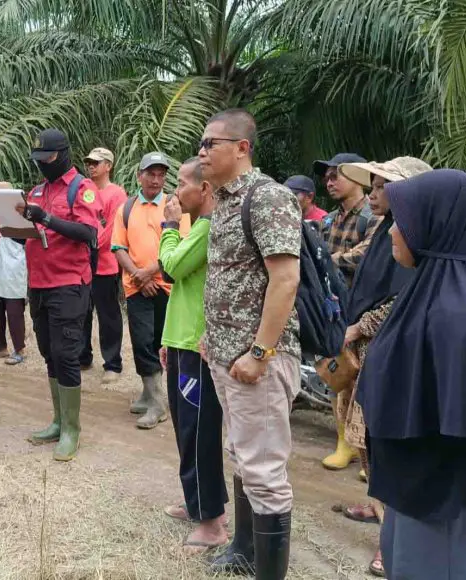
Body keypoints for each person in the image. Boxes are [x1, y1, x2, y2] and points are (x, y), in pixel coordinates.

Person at [357, 169, 466, 580]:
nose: (391, 233)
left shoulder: (463, 314)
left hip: (446, 500)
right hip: (413, 490)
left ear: (440, 225)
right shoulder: (430, 290)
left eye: (403, 220)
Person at [200, 109, 301, 579]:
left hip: (255, 361)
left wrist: (260, 353)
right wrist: (213, 337)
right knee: (242, 456)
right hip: (227, 355)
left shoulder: (268, 198)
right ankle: (244, 550)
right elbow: (229, 276)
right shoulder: (224, 201)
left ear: (241, 147)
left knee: (264, 472)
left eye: (210, 143)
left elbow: (285, 280)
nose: (201, 152)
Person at [334, 156, 433, 577]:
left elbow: (401, 299)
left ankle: (389, 537)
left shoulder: (415, 238)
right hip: (364, 345)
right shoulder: (382, 231)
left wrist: (359, 327)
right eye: (371, 186)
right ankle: (378, 508)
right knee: (363, 437)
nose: (372, 194)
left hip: (384, 349)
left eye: (380, 187)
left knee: (380, 437)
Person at [17, 128, 101, 461]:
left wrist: (47, 218)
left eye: (47, 159)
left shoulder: (82, 188)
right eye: (38, 160)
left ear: (63, 154)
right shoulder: (37, 191)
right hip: (38, 284)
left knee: (66, 355)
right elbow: (30, 236)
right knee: (49, 353)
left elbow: (88, 233)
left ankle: (72, 429)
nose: (42, 165)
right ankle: (57, 420)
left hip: (68, 283)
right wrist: (9, 226)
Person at [158, 157, 228, 553]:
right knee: (186, 430)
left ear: (204, 189)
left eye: (181, 183)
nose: (175, 193)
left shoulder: (205, 228)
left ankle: (212, 522)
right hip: (181, 341)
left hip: (198, 348)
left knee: (198, 432)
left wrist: (168, 227)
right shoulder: (198, 227)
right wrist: (168, 339)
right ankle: (196, 502)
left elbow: (172, 267)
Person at [111, 152, 190, 429]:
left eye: (161, 174)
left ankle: (155, 399)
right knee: (142, 341)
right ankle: (154, 400)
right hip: (136, 288)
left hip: (167, 286)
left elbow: (182, 244)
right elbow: (118, 247)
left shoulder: (174, 206)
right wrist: (139, 275)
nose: (156, 180)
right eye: (151, 174)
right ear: (139, 176)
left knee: (161, 343)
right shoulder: (127, 208)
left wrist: (151, 272)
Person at [314, 152, 381, 471]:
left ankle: (367, 449)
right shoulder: (328, 219)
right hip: (334, 308)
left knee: (365, 378)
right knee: (336, 372)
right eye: (326, 177)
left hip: (365, 308)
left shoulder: (375, 215)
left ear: (358, 178)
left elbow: (366, 256)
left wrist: (328, 261)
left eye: (335, 175)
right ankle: (345, 443)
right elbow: (315, 256)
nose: (329, 182)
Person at [79, 147, 126, 383]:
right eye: (89, 162)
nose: (91, 166)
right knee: (82, 312)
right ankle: (83, 356)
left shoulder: (116, 193)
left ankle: (112, 363)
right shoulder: (84, 190)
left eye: (97, 163)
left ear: (108, 166)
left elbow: (113, 229)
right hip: (81, 264)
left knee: (108, 314)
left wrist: (91, 244)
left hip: (105, 263)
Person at [0, 181, 28, 366]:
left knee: (14, 310)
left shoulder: (21, 216)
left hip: (14, 269)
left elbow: (25, 240)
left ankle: (19, 348)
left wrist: (2, 225)